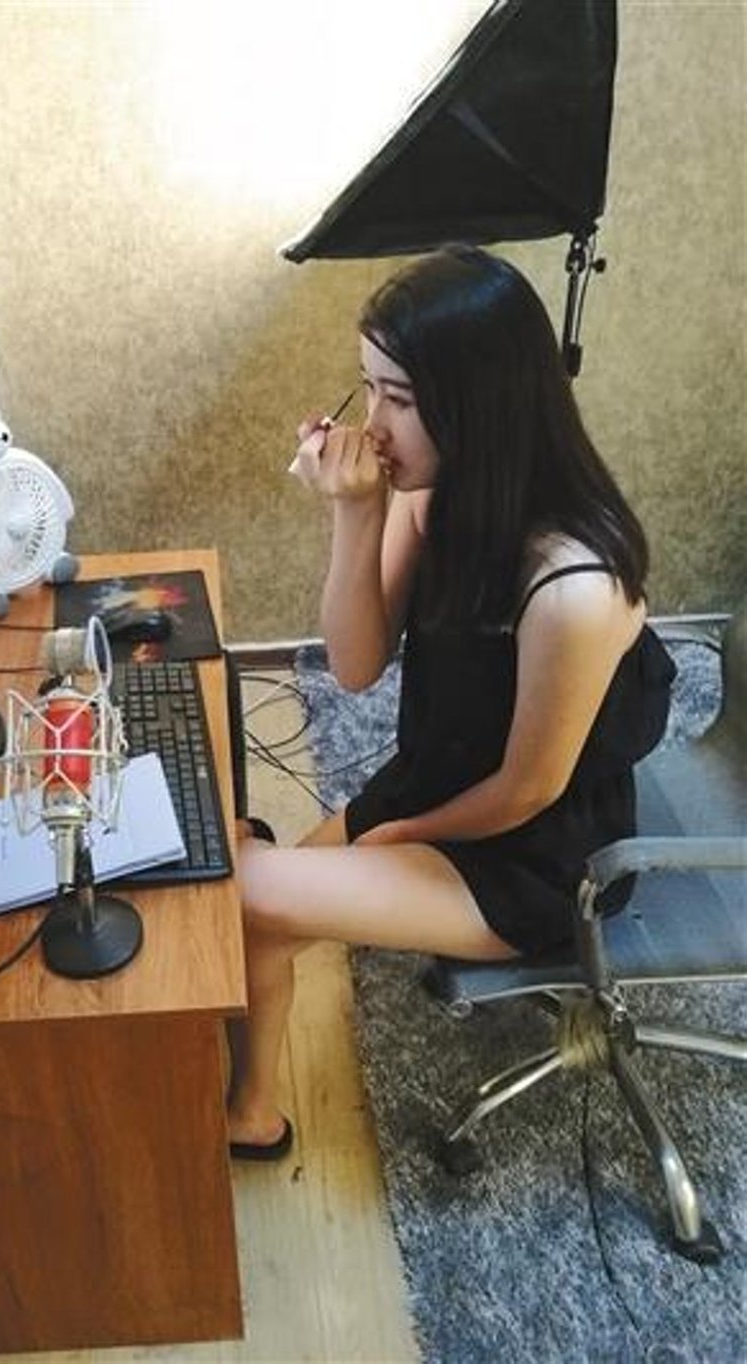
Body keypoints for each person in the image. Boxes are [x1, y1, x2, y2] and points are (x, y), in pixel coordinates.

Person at [227, 244, 675, 1161]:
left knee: (245, 885)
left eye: (398, 397)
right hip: (442, 775)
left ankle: (238, 1104)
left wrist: (399, 834)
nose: (373, 425)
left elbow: (528, 790)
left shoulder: (573, 583)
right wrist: (355, 513)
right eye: (368, 389)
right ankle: (251, 1115)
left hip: (532, 855)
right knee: (252, 901)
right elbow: (355, 666)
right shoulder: (431, 488)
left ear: (477, 403)